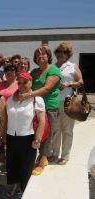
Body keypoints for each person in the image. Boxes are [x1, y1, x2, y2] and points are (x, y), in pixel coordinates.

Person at [18, 44, 62, 175]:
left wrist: (28, 95)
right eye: (37, 55)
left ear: (48, 56)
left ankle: (43, 159)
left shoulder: (53, 70)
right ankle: (40, 155)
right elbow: (25, 83)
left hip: (49, 106)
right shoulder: (34, 72)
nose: (40, 56)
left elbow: (47, 88)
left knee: (46, 133)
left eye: (43, 54)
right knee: (36, 131)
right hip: (35, 106)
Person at [6, 72, 45, 197]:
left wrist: (37, 140)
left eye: (25, 82)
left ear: (31, 82)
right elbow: (7, 117)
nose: (22, 85)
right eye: (20, 82)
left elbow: (41, 121)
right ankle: (15, 188)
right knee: (12, 164)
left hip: (28, 137)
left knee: (26, 167)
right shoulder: (11, 98)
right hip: (11, 136)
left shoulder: (36, 99)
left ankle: (24, 192)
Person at [54, 42, 83, 165]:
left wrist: (68, 84)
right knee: (55, 130)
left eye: (64, 52)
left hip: (67, 101)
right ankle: (55, 154)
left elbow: (81, 82)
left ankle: (65, 155)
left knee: (67, 130)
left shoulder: (72, 66)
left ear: (68, 54)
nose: (60, 54)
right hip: (54, 101)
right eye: (58, 52)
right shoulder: (52, 67)